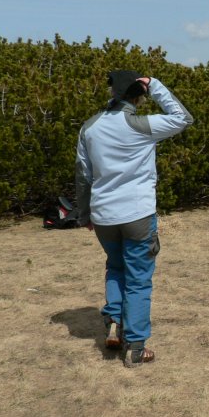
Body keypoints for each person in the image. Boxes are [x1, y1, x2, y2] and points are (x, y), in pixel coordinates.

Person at [75, 70, 194, 367]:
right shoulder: (142, 125)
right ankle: (136, 346)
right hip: (138, 212)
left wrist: (84, 213)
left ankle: (115, 321)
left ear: (112, 94)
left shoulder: (89, 127)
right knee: (139, 280)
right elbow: (183, 118)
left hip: (104, 214)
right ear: (138, 95)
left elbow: (83, 175)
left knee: (115, 267)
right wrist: (156, 85)